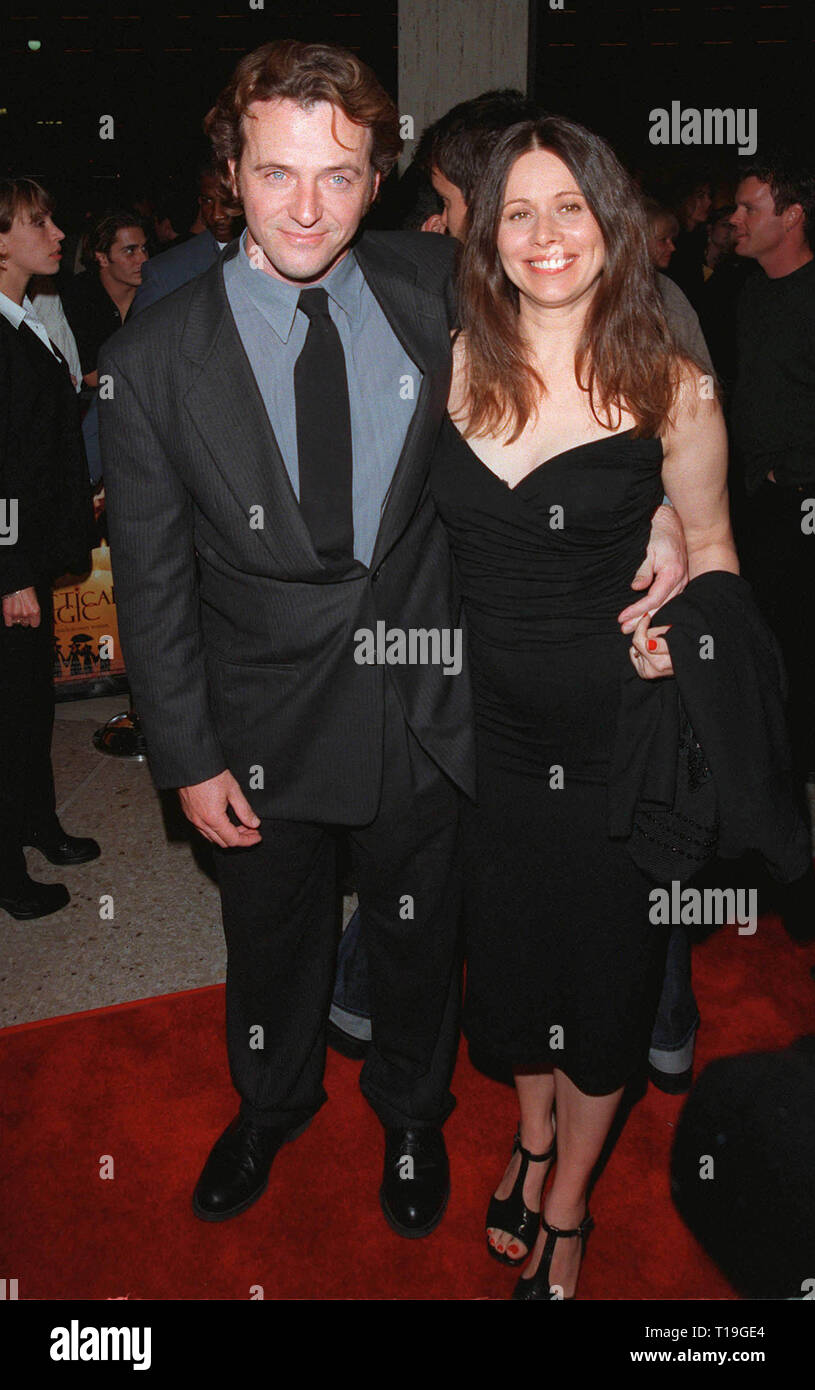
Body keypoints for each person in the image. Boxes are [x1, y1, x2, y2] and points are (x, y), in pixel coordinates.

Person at [98, 41, 686, 1242]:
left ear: (380, 179)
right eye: (276, 174)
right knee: (270, 939)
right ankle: (269, 1103)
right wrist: (184, 752)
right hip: (256, 720)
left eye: (339, 174)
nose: (307, 205)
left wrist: (667, 497)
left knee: (421, 941)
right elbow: (150, 584)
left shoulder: (439, 291)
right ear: (231, 172)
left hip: (426, 698)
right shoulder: (150, 361)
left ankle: (411, 1114)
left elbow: (600, 360)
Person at [428, 115, 739, 1299]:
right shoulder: (449, 356)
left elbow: (712, 551)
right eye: (517, 209)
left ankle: (565, 1209)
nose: (544, 233)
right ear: (484, 230)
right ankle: (534, 1131)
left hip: (618, 741)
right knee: (511, 978)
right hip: (487, 745)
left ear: (612, 224)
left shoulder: (670, 376)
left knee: (602, 986)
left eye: (570, 207)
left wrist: (685, 636)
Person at [0, 178, 99, 922]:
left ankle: (36, 822)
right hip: (9, 565)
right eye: (39, 221)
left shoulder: (24, 317)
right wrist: (9, 571)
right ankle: (6, 867)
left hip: (30, 553)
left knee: (30, 706)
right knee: (9, 714)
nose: (57, 231)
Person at [129, 164, 241, 316]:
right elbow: (142, 337)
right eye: (208, 201)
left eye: (227, 201)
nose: (217, 215)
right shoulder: (166, 273)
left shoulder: (273, 256)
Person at [62, 209, 150, 387]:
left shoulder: (155, 290)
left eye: (144, 248)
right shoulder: (79, 296)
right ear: (102, 258)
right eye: (130, 251)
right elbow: (93, 377)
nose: (143, 258)